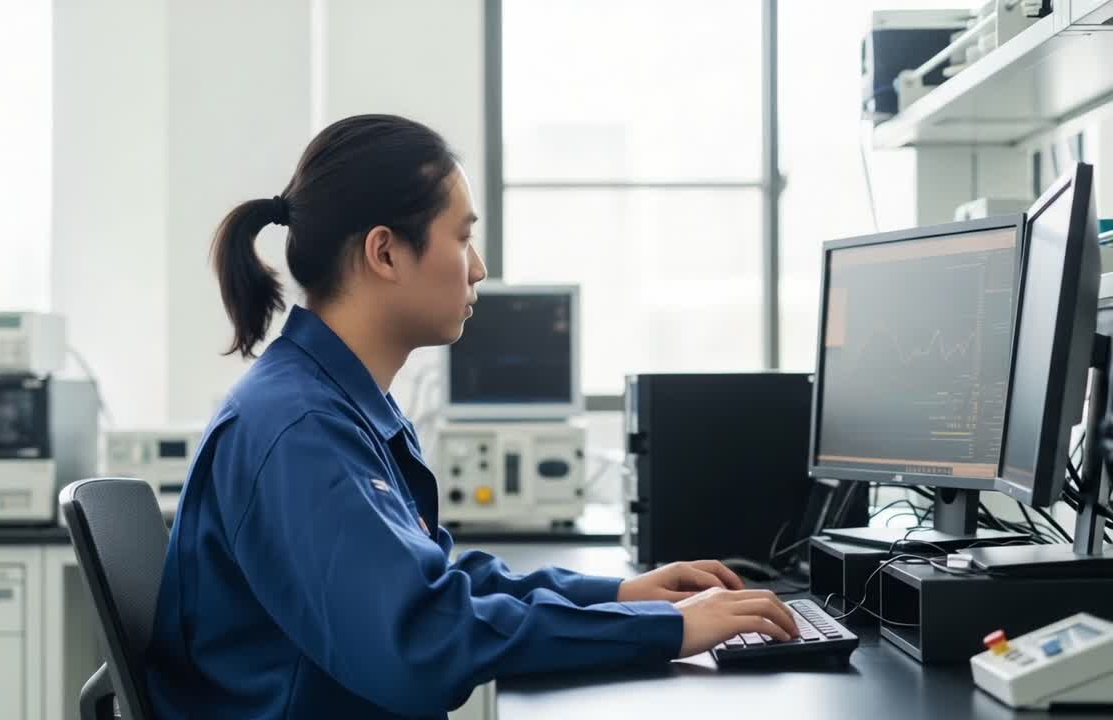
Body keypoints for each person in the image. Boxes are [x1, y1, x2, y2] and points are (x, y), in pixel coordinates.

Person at [144, 114, 799, 720]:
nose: (478, 268)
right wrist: (672, 629)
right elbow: (420, 643)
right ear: (386, 253)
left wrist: (622, 595)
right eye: (462, 237)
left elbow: (437, 583)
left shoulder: (332, 404)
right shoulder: (300, 430)